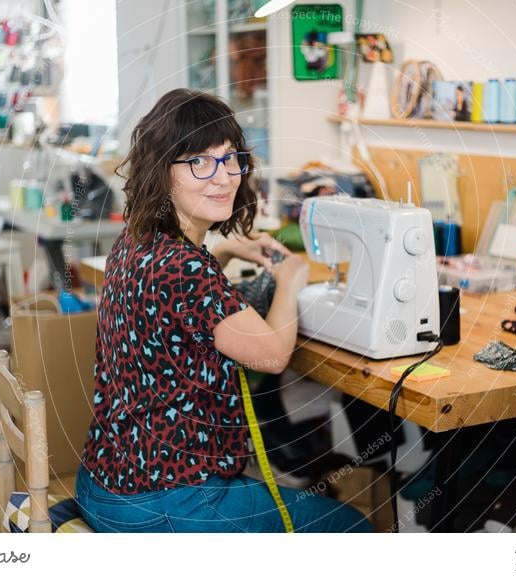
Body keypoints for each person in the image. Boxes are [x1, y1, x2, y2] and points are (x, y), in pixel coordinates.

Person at [76, 88, 373, 533]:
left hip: (105, 481)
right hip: (165, 501)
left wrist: (227, 250)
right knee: (349, 527)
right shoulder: (186, 269)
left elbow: (183, 310)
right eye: (199, 162)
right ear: (163, 171)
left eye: (230, 157)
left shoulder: (137, 241)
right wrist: (292, 279)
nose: (223, 176)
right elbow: (272, 355)